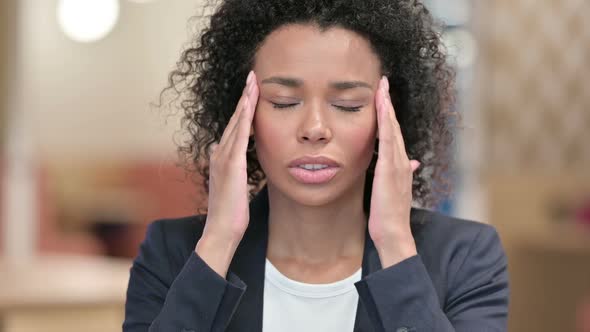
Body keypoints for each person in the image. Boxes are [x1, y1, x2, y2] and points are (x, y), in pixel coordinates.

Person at [123, 0, 509, 331]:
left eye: (348, 105)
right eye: (284, 101)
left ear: (387, 119)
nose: (315, 129)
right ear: (244, 116)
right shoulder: (173, 252)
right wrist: (218, 242)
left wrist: (395, 245)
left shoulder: (464, 256)